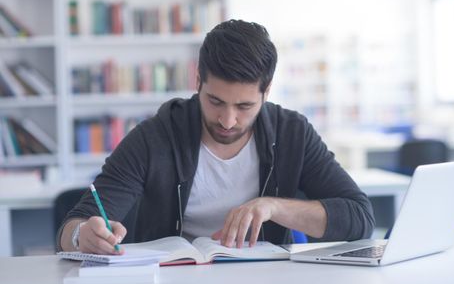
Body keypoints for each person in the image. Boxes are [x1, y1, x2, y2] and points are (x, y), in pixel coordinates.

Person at [58, 19, 375, 254]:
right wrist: (82, 234)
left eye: (245, 106)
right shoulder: (153, 137)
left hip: (266, 281)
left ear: (267, 92)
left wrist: (273, 208)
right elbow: (73, 224)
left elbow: (359, 218)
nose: (227, 120)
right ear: (198, 81)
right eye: (216, 102)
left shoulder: (292, 133)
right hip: (174, 281)